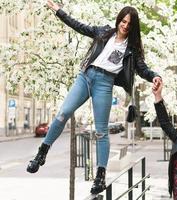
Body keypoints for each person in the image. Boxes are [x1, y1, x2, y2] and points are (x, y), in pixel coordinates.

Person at [26, 0, 162, 195]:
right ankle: (42, 153)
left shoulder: (132, 49)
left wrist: (155, 76)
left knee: (101, 132)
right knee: (63, 113)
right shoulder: (104, 32)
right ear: (118, 20)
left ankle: (100, 176)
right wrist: (59, 12)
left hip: (105, 84)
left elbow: (143, 69)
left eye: (128, 24)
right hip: (86, 77)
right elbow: (79, 26)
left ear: (133, 27)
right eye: (122, 21)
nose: (124, 25)